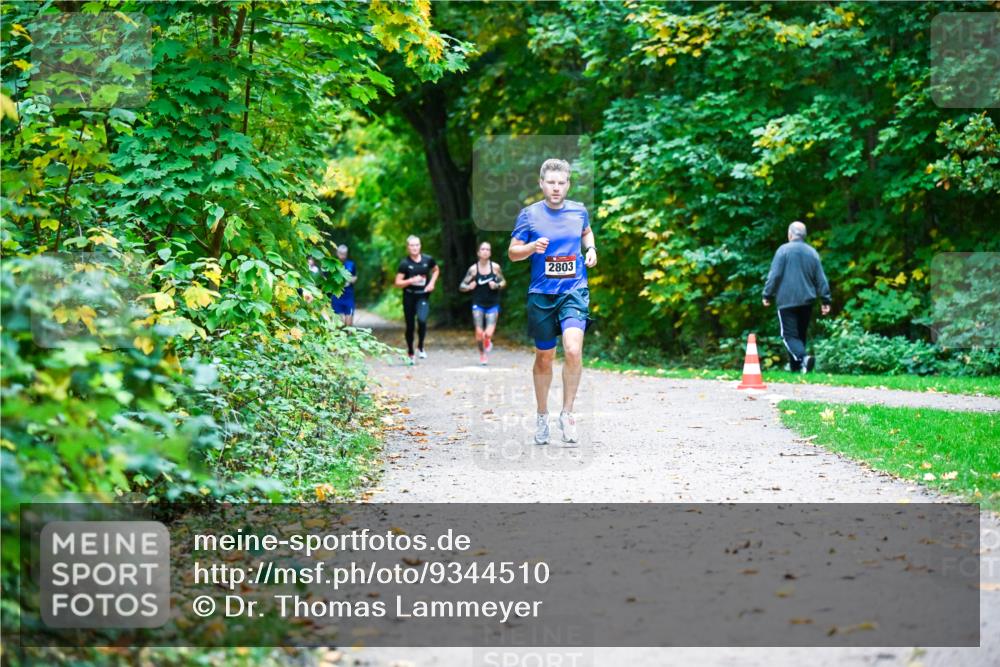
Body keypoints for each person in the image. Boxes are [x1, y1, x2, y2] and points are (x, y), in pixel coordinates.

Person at [508, 158, 597, 445]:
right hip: (542, 295)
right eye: (551, 183)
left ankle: (568, 414)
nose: (556, 188)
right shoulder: (529, 215)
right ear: (541, 184)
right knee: (544, 356)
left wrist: (592, 248)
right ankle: (542, 415)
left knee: (573, 350)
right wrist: (532, 247)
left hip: (573, 291)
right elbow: (512, 253)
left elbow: (586, 232)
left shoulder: (578, 211)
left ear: (568, 184)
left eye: (561, 183)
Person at [762, 220, 832, 373]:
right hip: (807, 301)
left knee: (788, 336)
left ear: (790, 234)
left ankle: (804, 359)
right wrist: (825, 299)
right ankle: (798, 368)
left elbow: (775, 275)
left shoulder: (783, 251)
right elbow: (821, 278)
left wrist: (767, 294)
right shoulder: (812, 252)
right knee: (800, 336)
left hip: (786, 300)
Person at [459, 241, 507, 365]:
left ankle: (488, 340)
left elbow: (503, 282)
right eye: (483, 249)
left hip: (492, 304)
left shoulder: (495, 267)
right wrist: (469, 286)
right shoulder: (473, 269)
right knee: (479, 332)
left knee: (488, 333)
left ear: (490, 253)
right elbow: (462, 285)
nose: (485, 251)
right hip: (478, 304)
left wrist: (496, 285)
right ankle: (482, 355)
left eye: (488, 249)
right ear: (478, 252)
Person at [394, 235, 439, 364]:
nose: (415, 248)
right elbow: (397, 282)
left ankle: (420, 346)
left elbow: (436, 270)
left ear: (420, 246)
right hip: (409, 296)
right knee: (410, 325)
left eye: (417, 245)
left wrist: (432, 283)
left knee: (422, 320)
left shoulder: (428, 260)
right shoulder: (405, 264)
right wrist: (411, 280)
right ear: (408, 247)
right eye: (412, 245)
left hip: (423, 295)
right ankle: (410, 352)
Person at [330, 244, 358, 326]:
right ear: (337, 253)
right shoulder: (333, 264)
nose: (343, 256)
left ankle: (349, 337)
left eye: (345, 254)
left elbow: (355, 276)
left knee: (349, 322)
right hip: (337, 295)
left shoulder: (351, 264)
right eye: (341, 253)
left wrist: (351, 280)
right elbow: (327, 278)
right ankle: (341, 337)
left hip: (348, 294)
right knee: (339, 323)